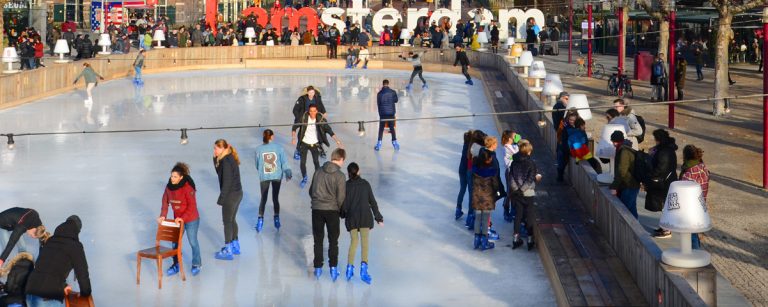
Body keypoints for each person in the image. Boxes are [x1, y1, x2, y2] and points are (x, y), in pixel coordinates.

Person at [25, 215, 91, 307]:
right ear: (77, 231)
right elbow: (82, 273)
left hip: (30, 291)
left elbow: (47, 268)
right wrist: (85, 293)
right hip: (48, 296)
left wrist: (63, 286)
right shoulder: (75, 246)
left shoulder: (50, 241)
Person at [341, 162, 383, 284]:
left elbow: (344, 204)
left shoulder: (346, 186)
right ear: (358, 171)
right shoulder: (365, 184)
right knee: (365, 243)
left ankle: (349, 269)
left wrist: (342, 214)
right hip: (365, 217)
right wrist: (378, 217)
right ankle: (363, 271)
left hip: (352, 218)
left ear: (348, 173)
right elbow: (373, 202)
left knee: (354, 242)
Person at [158, 162, 201, 276]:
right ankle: (176, 263)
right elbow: (165, 201)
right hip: (177, 220)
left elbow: (192, 206)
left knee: (193, 242)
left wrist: (182, 218)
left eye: (175, 177)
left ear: (181, 177)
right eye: (171, 176)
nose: (172, 178)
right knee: (175, 243)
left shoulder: (187, 188)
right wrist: (163, 215)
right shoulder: (169, 187)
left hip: (191, 219)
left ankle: (196, 263)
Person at [310, 148, 347, 281]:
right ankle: (333, 267)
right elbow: (341, 197)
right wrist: (341, 211)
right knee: (333, 241)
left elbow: (311, 190)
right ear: (341, 159)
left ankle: (318, 268)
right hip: (332, 211)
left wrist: (317, 201)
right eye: (343, 161)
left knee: (318, 240)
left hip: (317, 209)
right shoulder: (340, 176)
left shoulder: (318, 171)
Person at [292, 104, 344, 188]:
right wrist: (294, 138)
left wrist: (337, 141)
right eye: (311, 111)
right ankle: (304, 177)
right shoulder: (304, 117)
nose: (312, 113)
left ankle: (318, 178)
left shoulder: (320, 119)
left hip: (315, 144)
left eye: (314, 111)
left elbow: (329, 130)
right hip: (304, 143)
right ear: (308, 111)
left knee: (316, 162)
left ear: (316, 111)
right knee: (302, 162)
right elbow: (294, 127)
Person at [254, 129, 292, 232]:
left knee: (263, 198)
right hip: (276, 176)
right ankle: (276, 218)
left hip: (264, 176)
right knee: (275, 198)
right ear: (272, 136)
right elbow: (284, 162)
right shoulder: (279, 148)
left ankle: (260, 220)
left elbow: (257, 165)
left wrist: (263, 171)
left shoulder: (258, 149)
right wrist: (288, 173)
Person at [213, 139, 244, 260]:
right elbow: (219, 172)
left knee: (227, 222)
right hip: (238, 193)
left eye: (216, 148)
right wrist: (215, 159)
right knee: (232, 220)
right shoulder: (229, 157)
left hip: (230, 196)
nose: (214, 150)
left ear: (222, 148)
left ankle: (228, 250)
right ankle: (235, 245)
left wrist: (221, 199)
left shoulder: (225, 161)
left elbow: (226, 182)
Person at [507, 140, 541, 250]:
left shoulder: (514, 162)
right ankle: (530, 239)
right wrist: (522, 189)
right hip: (528, 192)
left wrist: (516, 189)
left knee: (518, 215)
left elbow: (511, 177)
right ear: (528, 151)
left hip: (516, 193)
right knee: (529, 215)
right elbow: (530, 179)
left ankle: (516, 238)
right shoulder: (531, 163)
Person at [471, 137, 503, 250]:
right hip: (488, 198)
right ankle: (484, 240)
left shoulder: (475, 169)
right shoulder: (492, 171)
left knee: (478, 218)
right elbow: (495, 185)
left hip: (477, 197)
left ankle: (476, 239)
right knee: (485, 219)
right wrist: (498, 192)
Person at [647, 129, 678, 239]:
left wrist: (651, 175)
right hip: (668, 180)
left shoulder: (664, 151)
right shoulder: (667, 148)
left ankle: (666, 229)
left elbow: (661, 168)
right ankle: (664, 226)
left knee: (664, 205)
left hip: (664, 182)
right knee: (664, 205)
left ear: (658, 139)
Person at [679, 145, 710, 249]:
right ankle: (696, 251)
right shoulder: (702, 166)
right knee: (693, 232)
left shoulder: (689, 172)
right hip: (700, 203)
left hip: (690, 207)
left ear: (685, 155)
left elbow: (683, 191)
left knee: (691, 234)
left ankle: (695, 252)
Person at [456, 130, 487, 222]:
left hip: (462, 169)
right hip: (469, 170)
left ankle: (458, 209)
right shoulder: (474, 147)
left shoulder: (467, 145)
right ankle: (470, 214)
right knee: (471, 193)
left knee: (462, 189)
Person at [608, 131, 640, 219]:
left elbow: (622, 171)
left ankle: (631, 227)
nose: (613, 144)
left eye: (613, 141)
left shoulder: (624, 151)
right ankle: (636, 226)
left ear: (616, 141)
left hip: (629, 185)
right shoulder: (624, 148)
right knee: (632, 210)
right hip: (632, 184)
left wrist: (614, 186)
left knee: (624, 212)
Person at [292, 86, 327, 160]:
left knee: (318, 133)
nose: (311, 94)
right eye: (310, 92)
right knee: (302, 134)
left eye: (313, 92)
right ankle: (298, 150)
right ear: (307, 92)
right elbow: (295, 110)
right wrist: (300, 118)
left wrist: (324, 112)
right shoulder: (301, 99)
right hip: (304, 119)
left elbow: (321, 106)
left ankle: (320, 149)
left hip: (314, 119)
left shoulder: (317, 98)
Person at [501, 130, 521, 222]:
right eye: (514, 137)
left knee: (514, 191)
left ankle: (513, 210)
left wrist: (517, 143)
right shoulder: (506, 147)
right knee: (509, 192)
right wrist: (517, 143)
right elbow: (517, 154)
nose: (516, 138)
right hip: (510, 172)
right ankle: (506, 209)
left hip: (515, 171)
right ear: (510, 139)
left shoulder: (511, 146)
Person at [375, 79, 399, 151]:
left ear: (383, 84)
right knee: (392, 128)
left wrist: (380, 114)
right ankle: (394, 142)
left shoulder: (379, 94)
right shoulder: (393, 92)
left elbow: (378, 104)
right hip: (391, 113)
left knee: (381, 128)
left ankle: (379, 143)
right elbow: (396, 100)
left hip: (383, 113)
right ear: (388, 84)